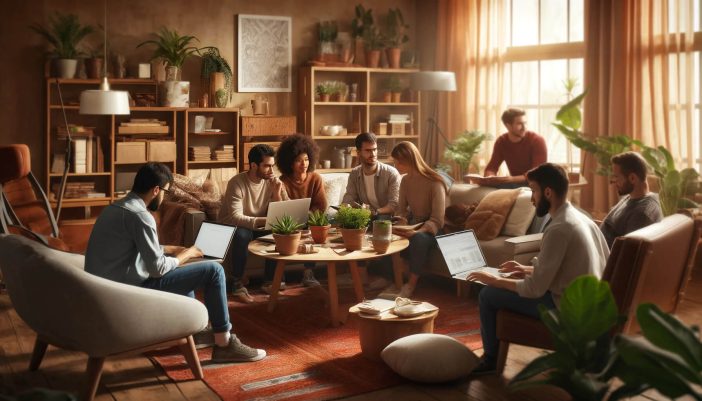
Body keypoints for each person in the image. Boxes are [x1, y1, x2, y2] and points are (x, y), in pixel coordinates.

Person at [85, 162, 265, 363]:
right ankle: (224, 343)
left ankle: (196, 329)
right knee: (214, 270)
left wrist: (172, 249)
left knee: (184, 267)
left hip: (107, 289)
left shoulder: (116, 208)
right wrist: (187, 254)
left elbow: (133, 247)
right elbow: (158, 268)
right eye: (165, 193)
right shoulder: (141, 216)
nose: (163, 200)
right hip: (130, 291)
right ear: (156, 190)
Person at [467, 163, 609, 374]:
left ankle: (490, 360)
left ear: (548, 192)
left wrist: (494, 280)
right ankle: (492, 355)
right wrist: (525, 269)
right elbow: (571, 268)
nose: (532, 198)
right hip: (587, 304)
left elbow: (535, 290)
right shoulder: (583, 220)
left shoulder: (559, 228)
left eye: (533, 190)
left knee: (488, 295)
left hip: (566, 310)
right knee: (497, 288)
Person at [218, 144, 288, 303]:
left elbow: (284, 211)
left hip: (257, 225)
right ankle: (237, 284)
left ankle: (270, 282)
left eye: (272, 166)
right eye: (267, 166)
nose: (271, 171)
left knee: (276, 231)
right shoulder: (236, 183)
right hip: (232, 226)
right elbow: (236, 217)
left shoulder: (273, 182)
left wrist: (277, 193)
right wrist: (267, 220)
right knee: (243, 234)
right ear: (254, 165)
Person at [389, 141, 448, 298]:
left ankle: (410, 285)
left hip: (433, 230)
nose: (396, 166)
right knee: (385, 232)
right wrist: (400, 224)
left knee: (419, 239)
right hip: (413, 224)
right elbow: (401, 210)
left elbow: (437, 220)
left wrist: (417, 232)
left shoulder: (435, 182)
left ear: (408, 160)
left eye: (398, 162)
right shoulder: (405, 181)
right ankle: (391, 279)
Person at [276, 133, 328, 287]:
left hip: (310, 220)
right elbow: (282, 207)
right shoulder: (283, 181)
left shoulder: (315, 178)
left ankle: (309, 273)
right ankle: (279, 278)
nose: (303, 164)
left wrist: (307, 216)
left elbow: (321, 205)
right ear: (290, 163)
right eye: (298, 160)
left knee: (315, 228)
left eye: (306, 159)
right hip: (289, 222)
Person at [600, 152, 663, 248]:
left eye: (616, 177)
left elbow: (627, 255)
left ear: (632, 178)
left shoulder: (642, 214)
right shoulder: (630, 197)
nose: (613, 181)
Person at [472, 108, 547, 188]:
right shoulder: (502, 141)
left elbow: (537, 174)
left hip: (537, 183)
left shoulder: (537, 140)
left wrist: (511, 179)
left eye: (525, 123)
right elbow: (492, 167)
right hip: (515, 184)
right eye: (519, 124)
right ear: (508, 126)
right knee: (483, 188)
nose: (524, 127)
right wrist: (490, 178)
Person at [342, 132, 401, 218]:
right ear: (358, 153)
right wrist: (346, 207)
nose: (373, 154)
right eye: (368, 150)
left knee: (380, 218)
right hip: (365, 217)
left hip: (387, 217)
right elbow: (349, 199)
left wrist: (375, 212)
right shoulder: (355, 173)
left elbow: (394, 204)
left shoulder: (391, 173)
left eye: (375, 149)